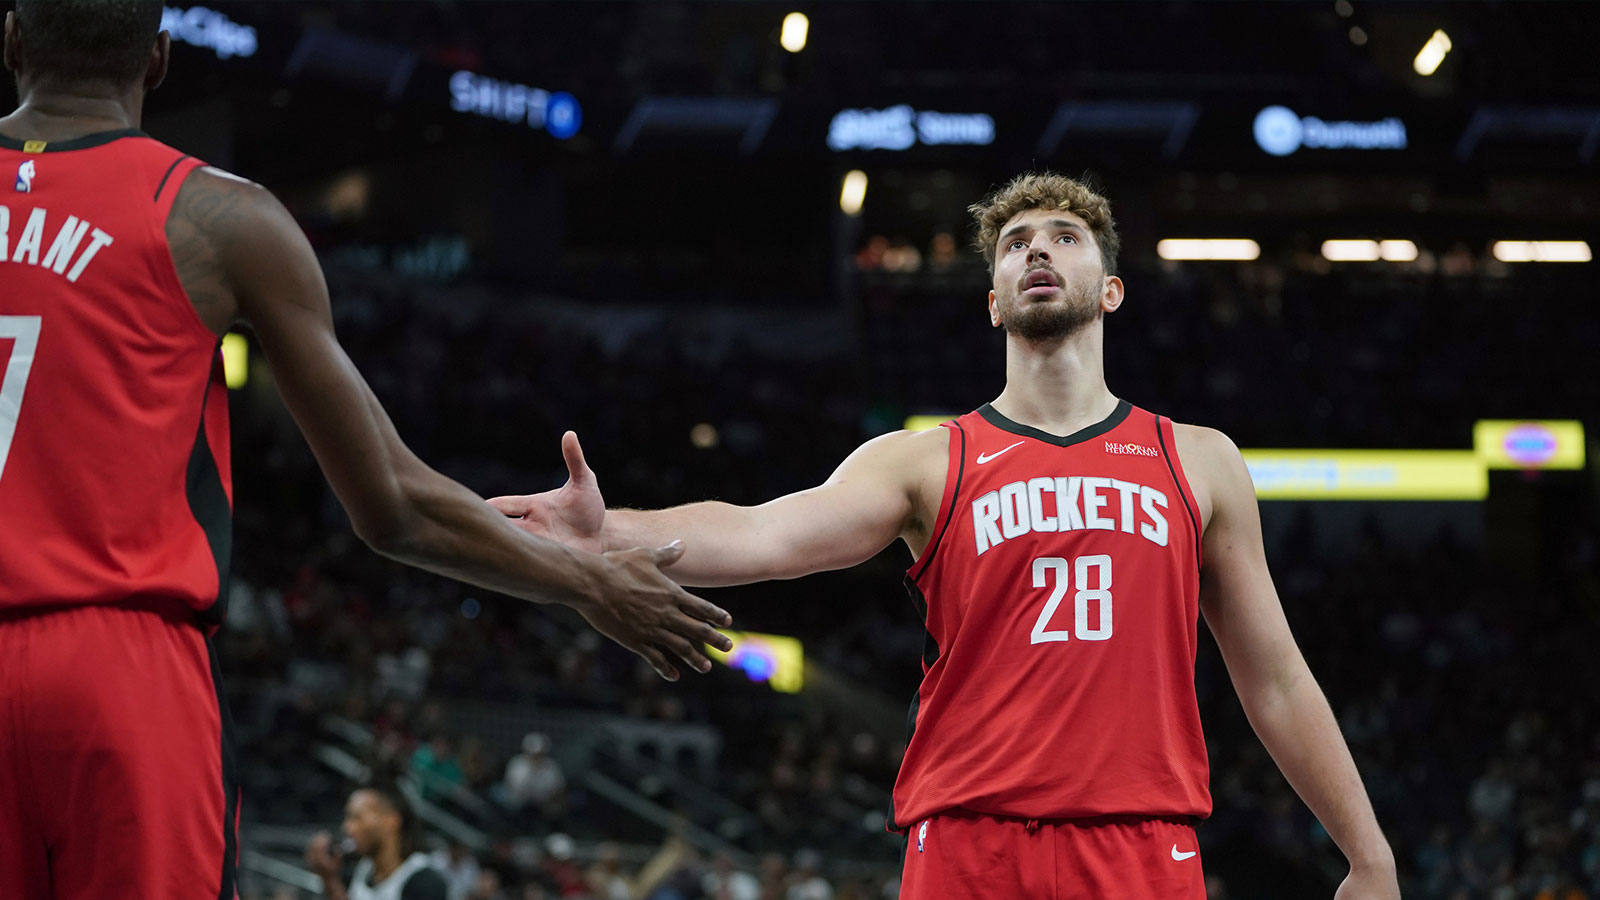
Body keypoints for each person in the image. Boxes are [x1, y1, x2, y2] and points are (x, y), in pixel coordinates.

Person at [490, 172, 1402, 899]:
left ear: (1111, 289)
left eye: (1064, 238)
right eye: (1014, 245)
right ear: (995, 302)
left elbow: (1275, 676)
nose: (1036, 250)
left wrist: (1369, 854)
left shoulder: (1199, 460)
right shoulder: (927, 461)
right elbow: (763, 533)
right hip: (968, 840)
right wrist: (603, 532)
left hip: (1138, 840)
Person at [0, 3, 730, 899]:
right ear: (157, 59)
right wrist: (585, 580)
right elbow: (388, 502)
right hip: (125, 668)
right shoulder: (218, 217)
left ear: (11, 43)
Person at [306, 784, 447, 900]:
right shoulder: (361, 867)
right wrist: (329, 880)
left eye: (357, 818)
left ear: (391, 821)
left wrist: (332, 883)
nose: (347, 828)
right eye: (348, 818)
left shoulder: (425, 882)